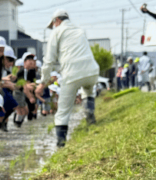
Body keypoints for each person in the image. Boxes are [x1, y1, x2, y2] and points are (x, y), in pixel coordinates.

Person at [37, 9, 99, 148]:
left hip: (72, 74)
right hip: (91, 71)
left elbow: (48, 61)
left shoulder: (56, 32)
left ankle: (61, 144)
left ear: (57, 21)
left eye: (53, 24)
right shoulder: (79, 30)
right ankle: (90, 114)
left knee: (63, 112)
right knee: (88, 91)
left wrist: (42, 82)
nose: (53, 27)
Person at [17, 52, 39, 120]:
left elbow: (32, 82)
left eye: (32, 60)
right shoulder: (21, 72)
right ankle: (18, 121)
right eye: (29, 60)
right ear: (24, 62)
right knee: (23, 110)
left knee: (31, 108)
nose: (31, 62)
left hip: (29, 92)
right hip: (20, 92)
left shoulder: (32, 72)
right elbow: (23, 84)